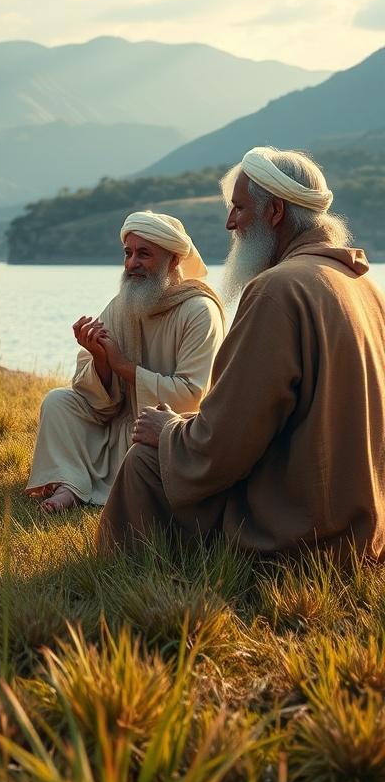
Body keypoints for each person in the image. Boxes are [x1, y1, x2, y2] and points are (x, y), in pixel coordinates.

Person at [98, 147, 385, 559]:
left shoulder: (278, 290)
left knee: (145, 460)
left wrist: (170, 433)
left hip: (301, 533)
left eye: (239, 208)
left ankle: (121, 578)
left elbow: (227, 441)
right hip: (366, 529)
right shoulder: (364, 286)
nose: (231, 223)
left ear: (276, 213)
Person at [26, 211, 225, 512]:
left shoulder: (198, 311)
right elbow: (97, 402)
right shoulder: (124, 305)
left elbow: (192, 396)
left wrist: (121, 365)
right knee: (58, 402)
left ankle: (90, 487)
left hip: (168, 430)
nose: (132, 263)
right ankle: (71, 485)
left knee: (155, 434)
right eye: (128, 253)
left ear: (173, 261)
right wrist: (100, 360)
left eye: (144, 254)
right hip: (120, 428)